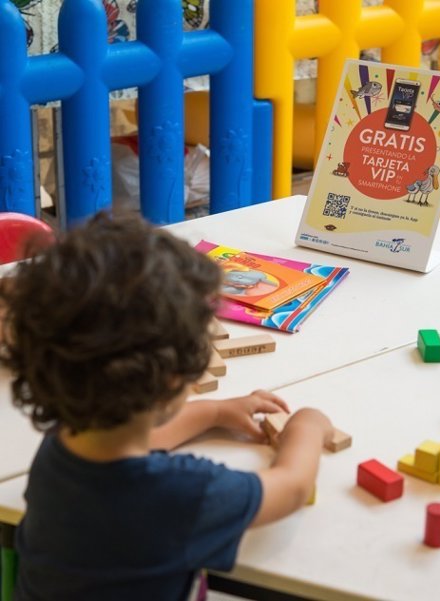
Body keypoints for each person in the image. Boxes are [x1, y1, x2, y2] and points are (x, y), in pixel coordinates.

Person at [0, 213, 333, 601]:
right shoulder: (182, 494)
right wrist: (307, 427)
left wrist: (215, 412)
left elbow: (137, 435)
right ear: (175, 380)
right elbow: (291, 488)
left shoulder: (61, 447)